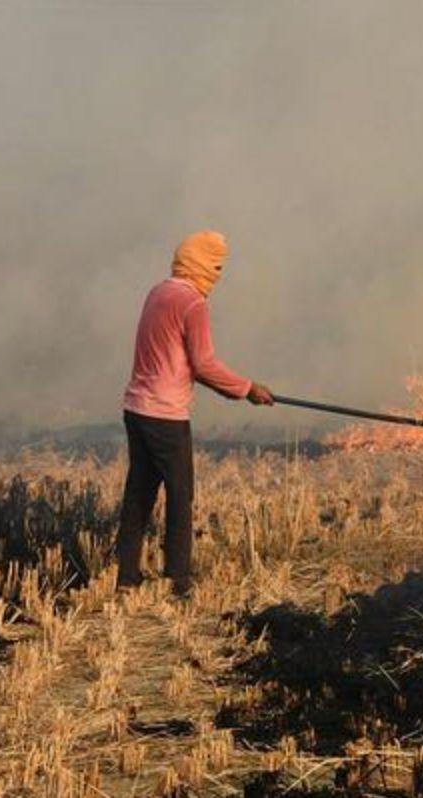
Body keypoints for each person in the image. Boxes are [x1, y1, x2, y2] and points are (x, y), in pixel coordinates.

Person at [117, 230, 273, 595]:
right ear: (202, 264)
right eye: (216, 267)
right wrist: (248, 389)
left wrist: (241, 389)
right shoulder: (192, 304)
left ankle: (126, 577)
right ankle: (178, 580)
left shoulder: (157, 292)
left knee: (139, 493)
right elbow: (203, 364)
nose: (217, 276)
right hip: (166, 415)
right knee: (180, 494)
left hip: (135, 409)